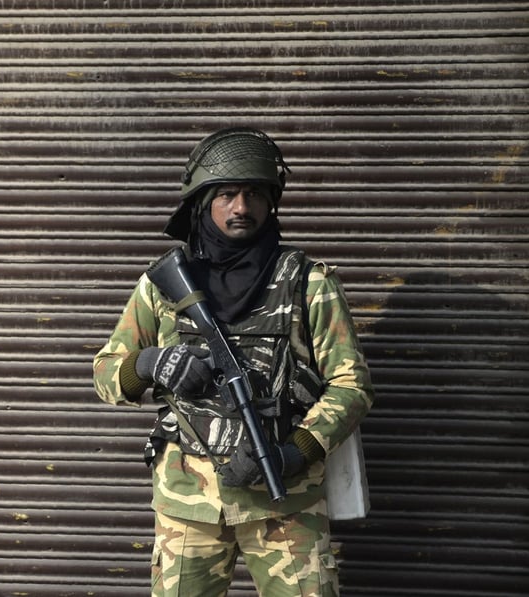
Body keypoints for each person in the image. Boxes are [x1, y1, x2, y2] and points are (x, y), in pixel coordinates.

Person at [92, 127, 374, 597]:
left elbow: (351, 385)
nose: (241, 208)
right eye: (226, 194)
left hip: (287, 505)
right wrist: (149, 364)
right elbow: (105, 374)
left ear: (270, 203)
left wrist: (294, 452)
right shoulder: (164, 286)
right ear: (203, 203)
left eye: (253, 194)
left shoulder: (309, 284)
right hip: (189, 508)